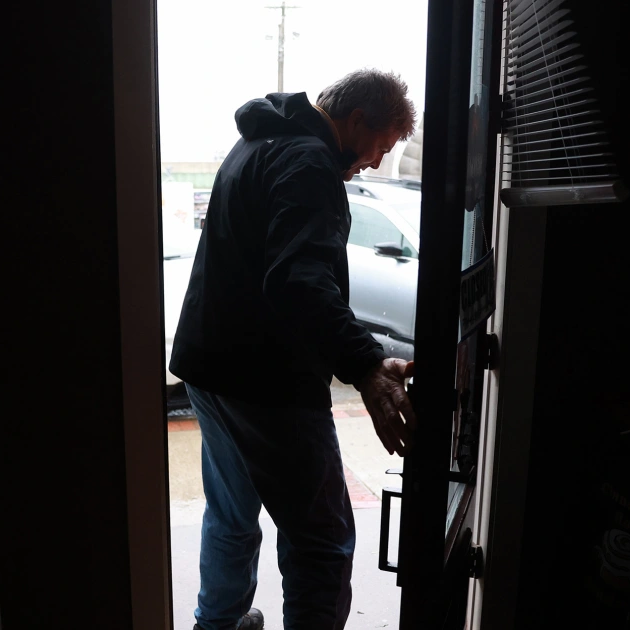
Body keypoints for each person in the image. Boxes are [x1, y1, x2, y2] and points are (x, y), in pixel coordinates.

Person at [170, 69, 419, 630]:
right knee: (322, 538)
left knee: (232, 514)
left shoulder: (257, 142)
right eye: (380, 146)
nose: (376, 163)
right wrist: (366, 364)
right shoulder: (310, 163)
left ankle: (219, 623)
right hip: (267, 383)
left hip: (210, 370)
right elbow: (298, 282)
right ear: (356, 121)